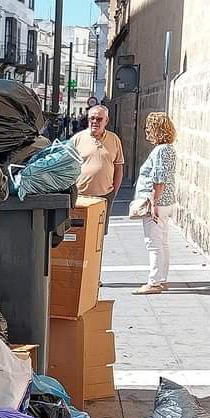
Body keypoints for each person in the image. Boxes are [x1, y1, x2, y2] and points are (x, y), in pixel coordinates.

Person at [131, 112, 178, 294]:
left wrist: (154, 203)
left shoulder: (160, 150)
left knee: (153, 243)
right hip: (167, 201)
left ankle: (154, 282)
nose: (147, 131)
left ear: (156, 130)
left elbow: (159, 178)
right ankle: (162, 279)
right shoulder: (169, 149)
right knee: (162, 241)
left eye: (149, 128)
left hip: (157, 202)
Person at [70, 104, 124, 229]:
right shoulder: (77, 139)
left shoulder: (114, 139)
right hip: (81, 196)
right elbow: (66, 167)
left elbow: (118, 168)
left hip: (104, 196)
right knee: (79, 233)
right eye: (92, 118)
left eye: (99, 119)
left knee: (99, 234)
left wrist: (113, 193)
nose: (95, 122)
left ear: (106, 121)